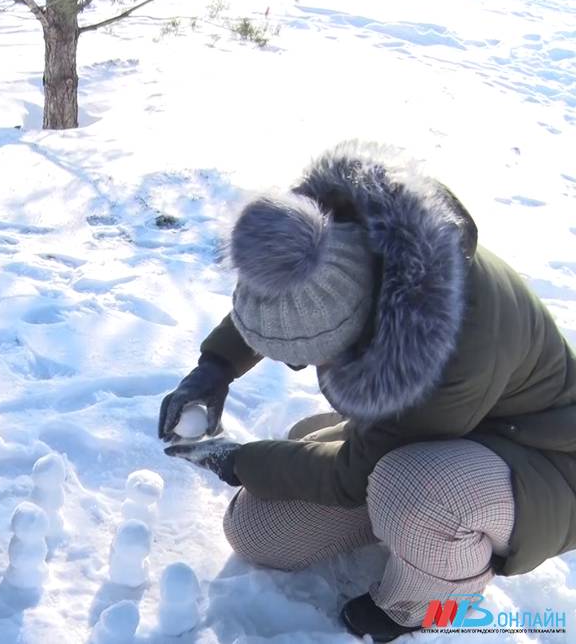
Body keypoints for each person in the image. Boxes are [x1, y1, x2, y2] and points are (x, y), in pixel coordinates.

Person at [160, 141, 576, 642]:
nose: (294, 366)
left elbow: (349, 477)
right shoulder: (338, 247)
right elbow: (290, 303)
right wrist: (217, 365)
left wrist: (236, 460)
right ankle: (417, 524)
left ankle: (421, 604)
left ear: (350, 331)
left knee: (411, 491)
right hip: (440, 436)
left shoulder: (447, 353)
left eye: (307, 355)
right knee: (258, 531)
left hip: (546, 459)